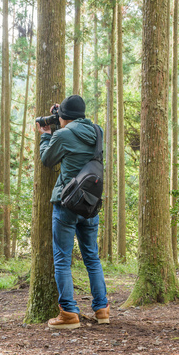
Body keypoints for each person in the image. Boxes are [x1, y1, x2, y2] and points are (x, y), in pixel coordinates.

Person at [36, 94, 109, 330]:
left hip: (66, 204)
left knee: (62, 260)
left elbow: (47, 160)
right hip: (89, 204)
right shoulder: (97, 131)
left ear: (64, 117)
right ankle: (102, 309)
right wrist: (62, 117)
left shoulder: (63, 134)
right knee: (92, 258)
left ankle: (68, 314)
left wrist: (46, 136)